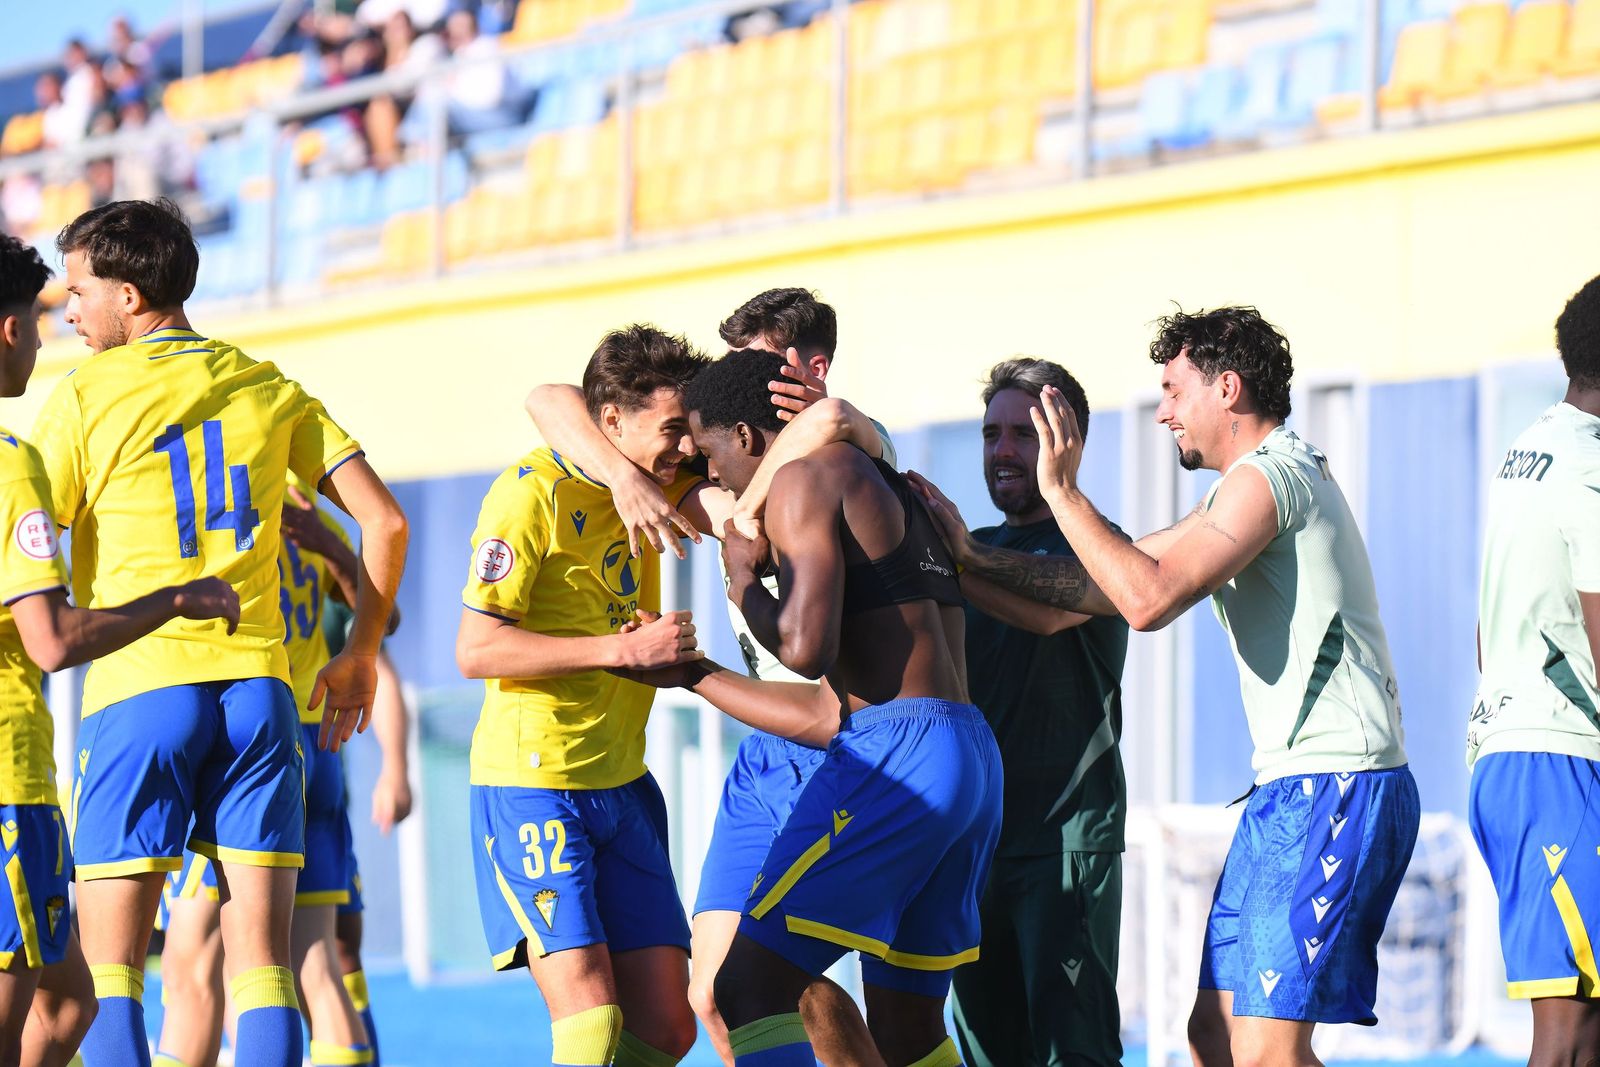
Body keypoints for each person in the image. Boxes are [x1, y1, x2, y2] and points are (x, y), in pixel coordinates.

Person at [934, 307, 1419, 1067]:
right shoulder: (1236, 491)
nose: (1162, 411)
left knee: (1265, 1053)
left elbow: (1144, 598)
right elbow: (1079, 591)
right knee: (1213, 1038)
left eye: (1173, 390)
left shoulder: (1271, 477)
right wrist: (961, 556)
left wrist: (1058, 493)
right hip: (1285, 792)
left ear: (1226, 389)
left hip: (1338, 781)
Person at [32, 198, 408, 1067]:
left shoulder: (84, 393)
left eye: (79, 291)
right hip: (260, 698)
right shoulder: (267, 385)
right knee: (265, 968)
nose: (70, 311)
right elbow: (385, 523)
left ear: (129, 297)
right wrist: (360, 657)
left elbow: (29, 546)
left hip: (141, 689)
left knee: (115, 973)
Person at [524, 288, 885, 1064]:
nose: (734, 378)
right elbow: (549, 397)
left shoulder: (845, 461)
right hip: (765, 754)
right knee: (714, 995)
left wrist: (748, 506)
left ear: (811, 369)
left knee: (832, 994)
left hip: (852, 745)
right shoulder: (715, 468)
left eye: (757, 361)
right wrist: (629, 482)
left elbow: (836, 422)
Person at [643, 348, 1002, 1067]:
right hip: (968, 754)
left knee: (744, 986)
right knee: (907, 1028)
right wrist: (695, 673)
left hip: (894, 754)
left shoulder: (803, 480)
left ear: (747, 439)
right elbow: (830, 694)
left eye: (712, 458)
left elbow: (805, 646)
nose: (715, 480)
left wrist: (744, 579)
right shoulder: (889, 483)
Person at [0, 232, 236, 1067]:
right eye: (36, 314)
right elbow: (53, 640)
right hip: (8, 785)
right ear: (6, 332)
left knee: (70, 1002)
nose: (49, 328)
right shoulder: (11, 465)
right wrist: (173, 597)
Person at [456, 326, 714, 1067]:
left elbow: (557, 399)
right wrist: (622, 650)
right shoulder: (530, 493)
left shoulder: (665, 481)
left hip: (623, 782)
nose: (684, 448)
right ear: (613, 424)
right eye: (671, 429)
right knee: (592, 1015)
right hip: (533, 782)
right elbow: (475, 649)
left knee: (667, 1029)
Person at [909, 358, 1129, 1067]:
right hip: (977, 846)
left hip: (1066, 839)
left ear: (1068, 442)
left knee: (1076, 1051)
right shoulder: (967, 553)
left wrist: (963, 558)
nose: (1002, 452)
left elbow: (1054, 612)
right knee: (986, 1054)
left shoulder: (1099, 546)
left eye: (1023, 434)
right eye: (990, 434)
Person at [156, 484, 393, 1067]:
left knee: (194, 966)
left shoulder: (216, 500)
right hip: (314, 741)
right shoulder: (303, 508)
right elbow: (384, 622)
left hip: (243, 746)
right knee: (311, 961)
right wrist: (334, 549)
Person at [1469, 272, 1600, 1066]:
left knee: (1589, 1021)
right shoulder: (1590, 468)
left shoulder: (1528, 449)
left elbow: (1488, 636)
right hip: (1556, 762)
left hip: (1514, 752)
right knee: (1566, 1028)